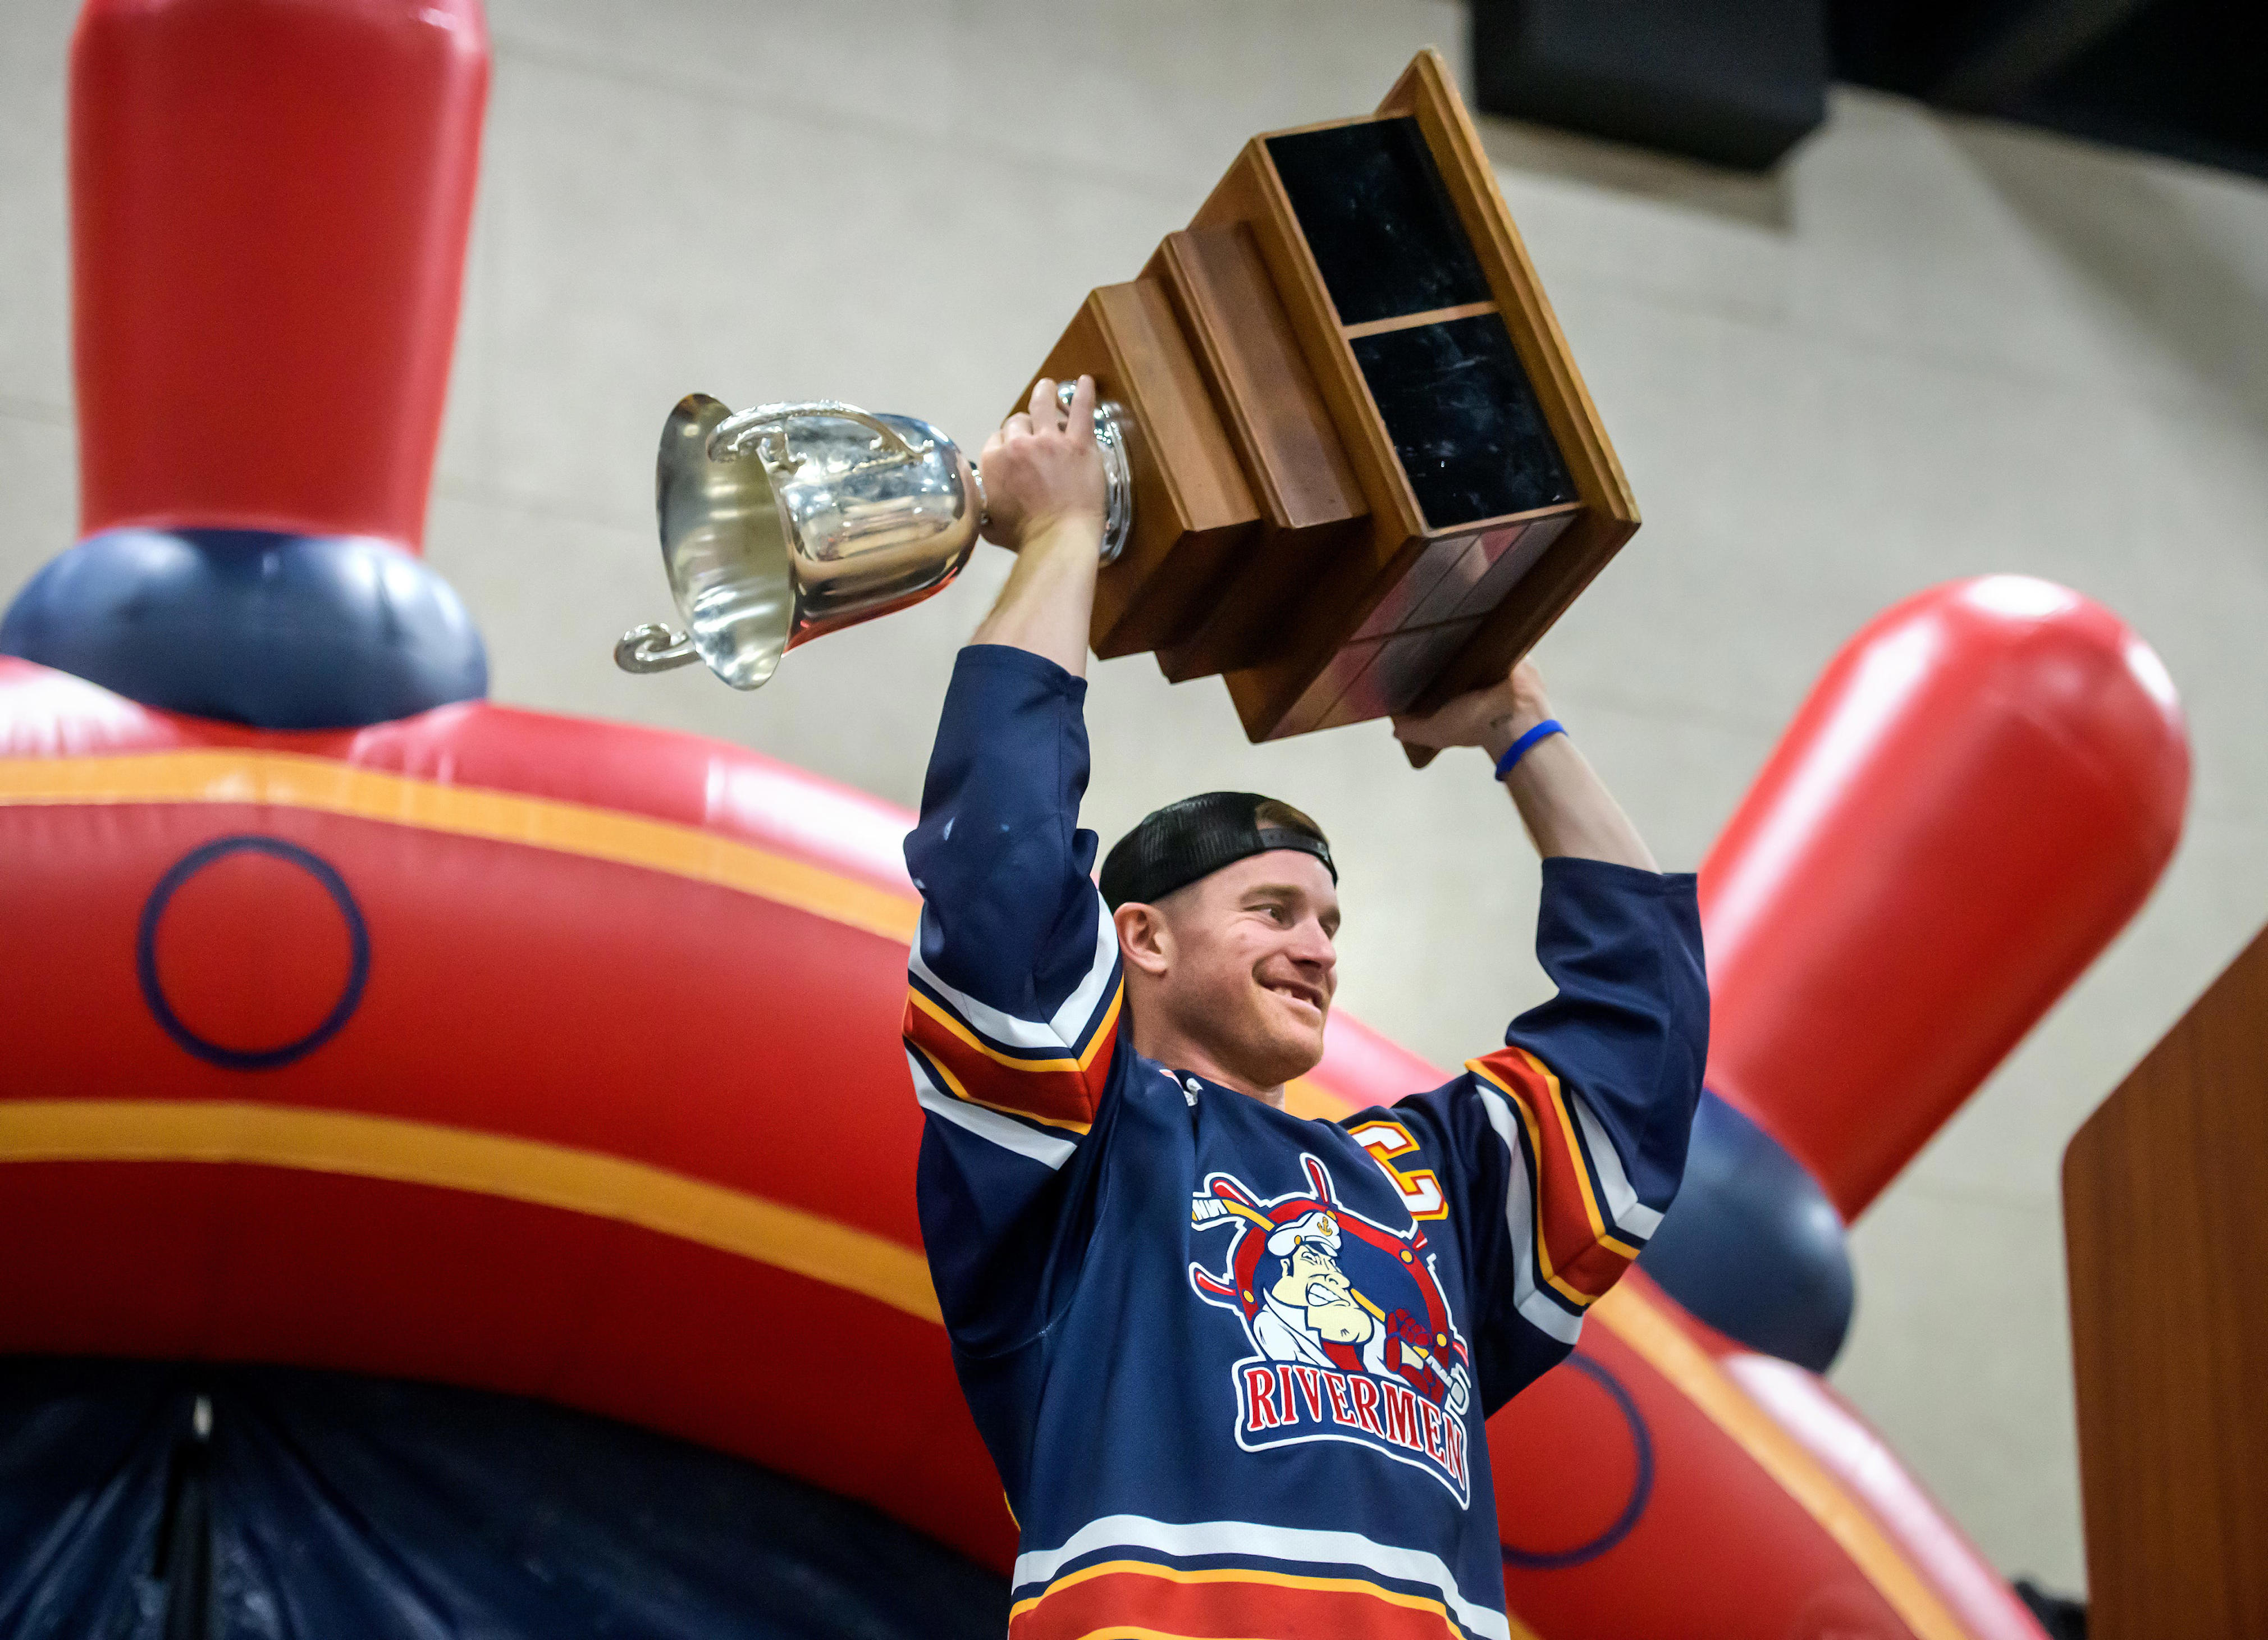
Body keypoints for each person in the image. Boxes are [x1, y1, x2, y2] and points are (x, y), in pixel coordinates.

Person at [901, 376, 1708, 1640]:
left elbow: (1643, 1046)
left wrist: (1517, 724)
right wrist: (1064, 537)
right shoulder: (1071, 1152)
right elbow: (1000, 867)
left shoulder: (1420, 1181)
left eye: (1329, 922)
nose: (1318, 949)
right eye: (1273, 912)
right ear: (1142, 940)